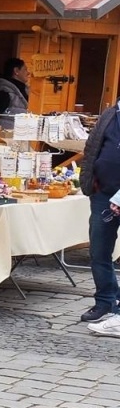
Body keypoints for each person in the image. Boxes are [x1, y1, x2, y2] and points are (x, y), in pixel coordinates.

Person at [80, 100, 120, 324]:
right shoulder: (109, 115)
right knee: (99, 251)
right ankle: (105, 301)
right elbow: (91, 148)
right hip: (103, 193)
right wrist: (90, 180)